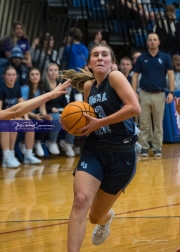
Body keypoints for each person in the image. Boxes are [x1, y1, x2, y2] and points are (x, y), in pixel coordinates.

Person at [61, 44, 141, 251]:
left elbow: (134, 108)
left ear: (112, 63)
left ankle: (106, 219)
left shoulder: (115, 78)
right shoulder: (89, 87)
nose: (99, 58)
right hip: (95, 149)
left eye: (105, 55)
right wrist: (77, 127)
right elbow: (89, 120)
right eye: (95, 55)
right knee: (80, 201)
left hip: (122, 154)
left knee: (95, 216)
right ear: (89, 64)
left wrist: (99, 124)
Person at [132, 33, 174, 160]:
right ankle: (144, 147)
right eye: (150, 40)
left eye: (155, 39)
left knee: (158, 123)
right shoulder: (141, 58)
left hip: (160, 94)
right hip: (144, 93)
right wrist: (134, 92)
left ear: (159, 42)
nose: (152, 42)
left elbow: (171, 75)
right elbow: (135, 76)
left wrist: (171, 92)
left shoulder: (165, 57)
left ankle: (157, 148)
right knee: (144, 122)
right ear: (147, 42)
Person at [0, 79, 71, 120]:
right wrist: (50, 95)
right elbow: (16, 111)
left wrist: (50, 95)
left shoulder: (40, 90)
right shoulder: (25, 89)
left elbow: (16, 111)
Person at [21, 67, 52, 157]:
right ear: (29, 77)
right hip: (24, 114)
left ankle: (37, 142)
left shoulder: (41, 90)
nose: (35, 76)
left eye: (37, 74)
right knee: (31, 123)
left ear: (40, 77)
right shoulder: (24, 89)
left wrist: (45, 115)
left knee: (48, 122)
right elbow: (22, 108)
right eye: (32, 74)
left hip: (35, 114)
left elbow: (42, 108)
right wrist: (34, 116)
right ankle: (23, 143)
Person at [43, 63, 69, 155]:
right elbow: (40, 102)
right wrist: (51, 108)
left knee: (74, 116)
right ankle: (51, 141)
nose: (53, 72)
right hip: (47, 111)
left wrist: (70, 108)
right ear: (46, 72)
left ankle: (67, 142)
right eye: (51, 70)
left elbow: (64, 101)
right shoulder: (43, 84)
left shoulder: (60, 84)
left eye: (55, 70)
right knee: (58, 118)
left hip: (59, 110)